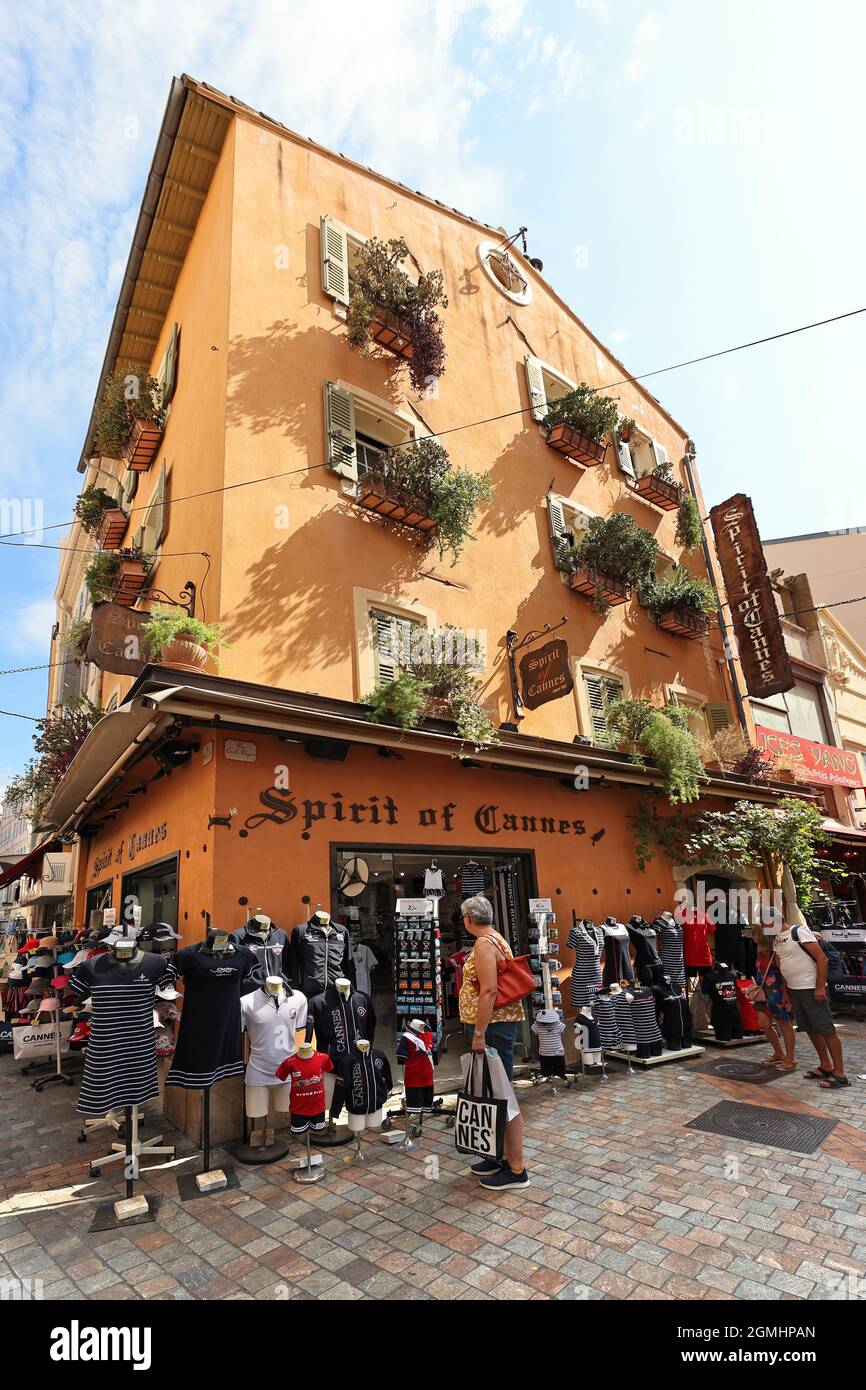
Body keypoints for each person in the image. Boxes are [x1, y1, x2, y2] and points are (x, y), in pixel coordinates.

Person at [458, 894, 529, 1190]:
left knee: (502, 1095)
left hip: (494, 1027)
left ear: (468, 920)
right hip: (497, 1025)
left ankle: (516, 1169)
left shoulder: (484, 943)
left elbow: (488, 991)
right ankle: (498, 1155)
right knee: (493, 1093)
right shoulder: (496, 938)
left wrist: (478, 1032)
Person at [771, 911, 849, 1089]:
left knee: (826, 1029)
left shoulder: (798, 932)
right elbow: (782, 965)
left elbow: (822, 958)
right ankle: (825, 1066)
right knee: (811, 1029)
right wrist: (785, 992)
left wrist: (820, 986)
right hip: (795, 989)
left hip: (810, 988)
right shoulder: (777, 939)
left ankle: (840, 1074)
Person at [752, 946, 796, 1071]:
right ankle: (779, 1053)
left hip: (776, 991)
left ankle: (790, 1058)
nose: (754, 938)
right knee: (764, 1023)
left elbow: (784, 973)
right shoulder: (759, 951)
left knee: (784, 1023)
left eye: (756, 934)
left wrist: (786, 993)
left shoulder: (776, 951)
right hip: (763, 992)